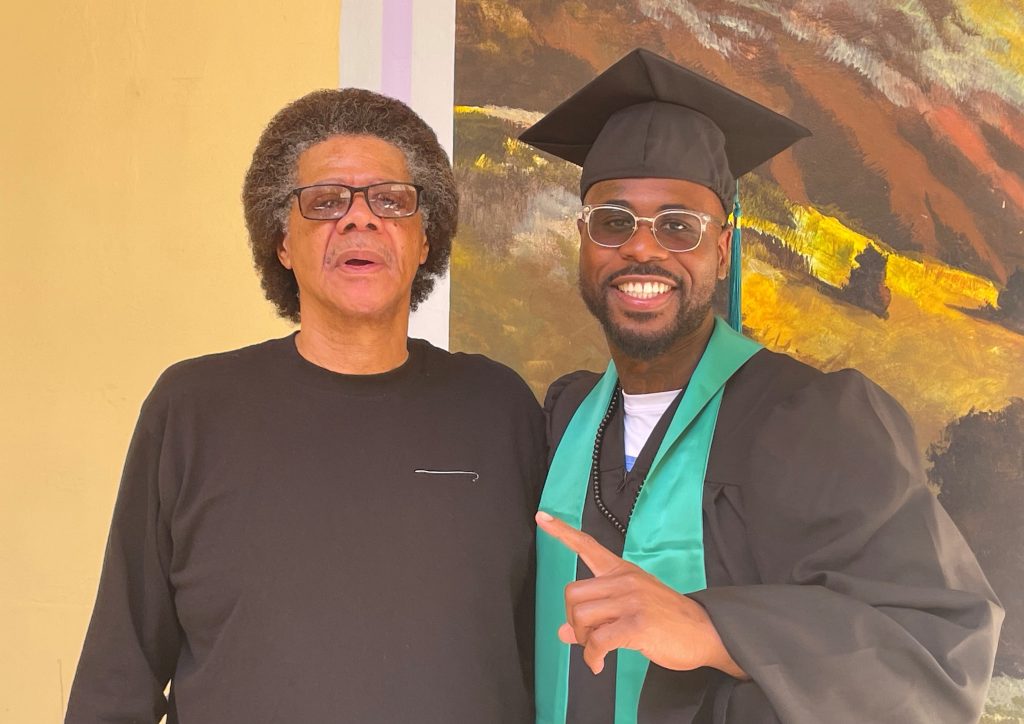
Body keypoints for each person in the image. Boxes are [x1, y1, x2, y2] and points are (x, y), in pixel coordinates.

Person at [519, 48, 1002, 724]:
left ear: (721, 250)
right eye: (613, 220)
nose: (640, 249)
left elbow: (936, 648)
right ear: (584, 240)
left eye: (679, 226)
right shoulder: (565, 417)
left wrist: (713, 631)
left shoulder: (815, 420)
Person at [66, 88, 545, 723]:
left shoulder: (498, 407)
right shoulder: (193, 410)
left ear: (425, 240)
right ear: (282, 243)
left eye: (390, 200)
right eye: (324, 203)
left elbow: (548, 659)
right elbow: (116, 676)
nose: (359, 219)